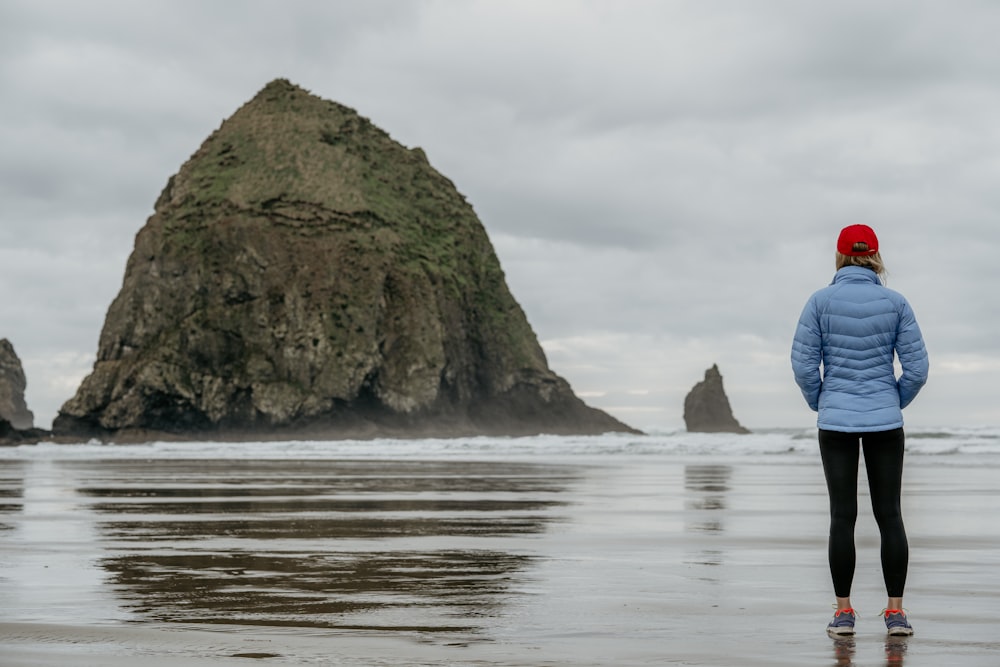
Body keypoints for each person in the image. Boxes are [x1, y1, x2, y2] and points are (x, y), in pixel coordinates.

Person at [791, 224, 929, 638]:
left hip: (835, 422)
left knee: (842, 517)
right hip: (886, 422)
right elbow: (918, 369)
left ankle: (844, 613)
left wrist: (822, 400)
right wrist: (892, 400)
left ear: (839, 256)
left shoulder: (819, 302)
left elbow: (802, 366)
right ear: (875, 257)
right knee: (890, 515)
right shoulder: (896, 302)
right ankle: (896, 614)